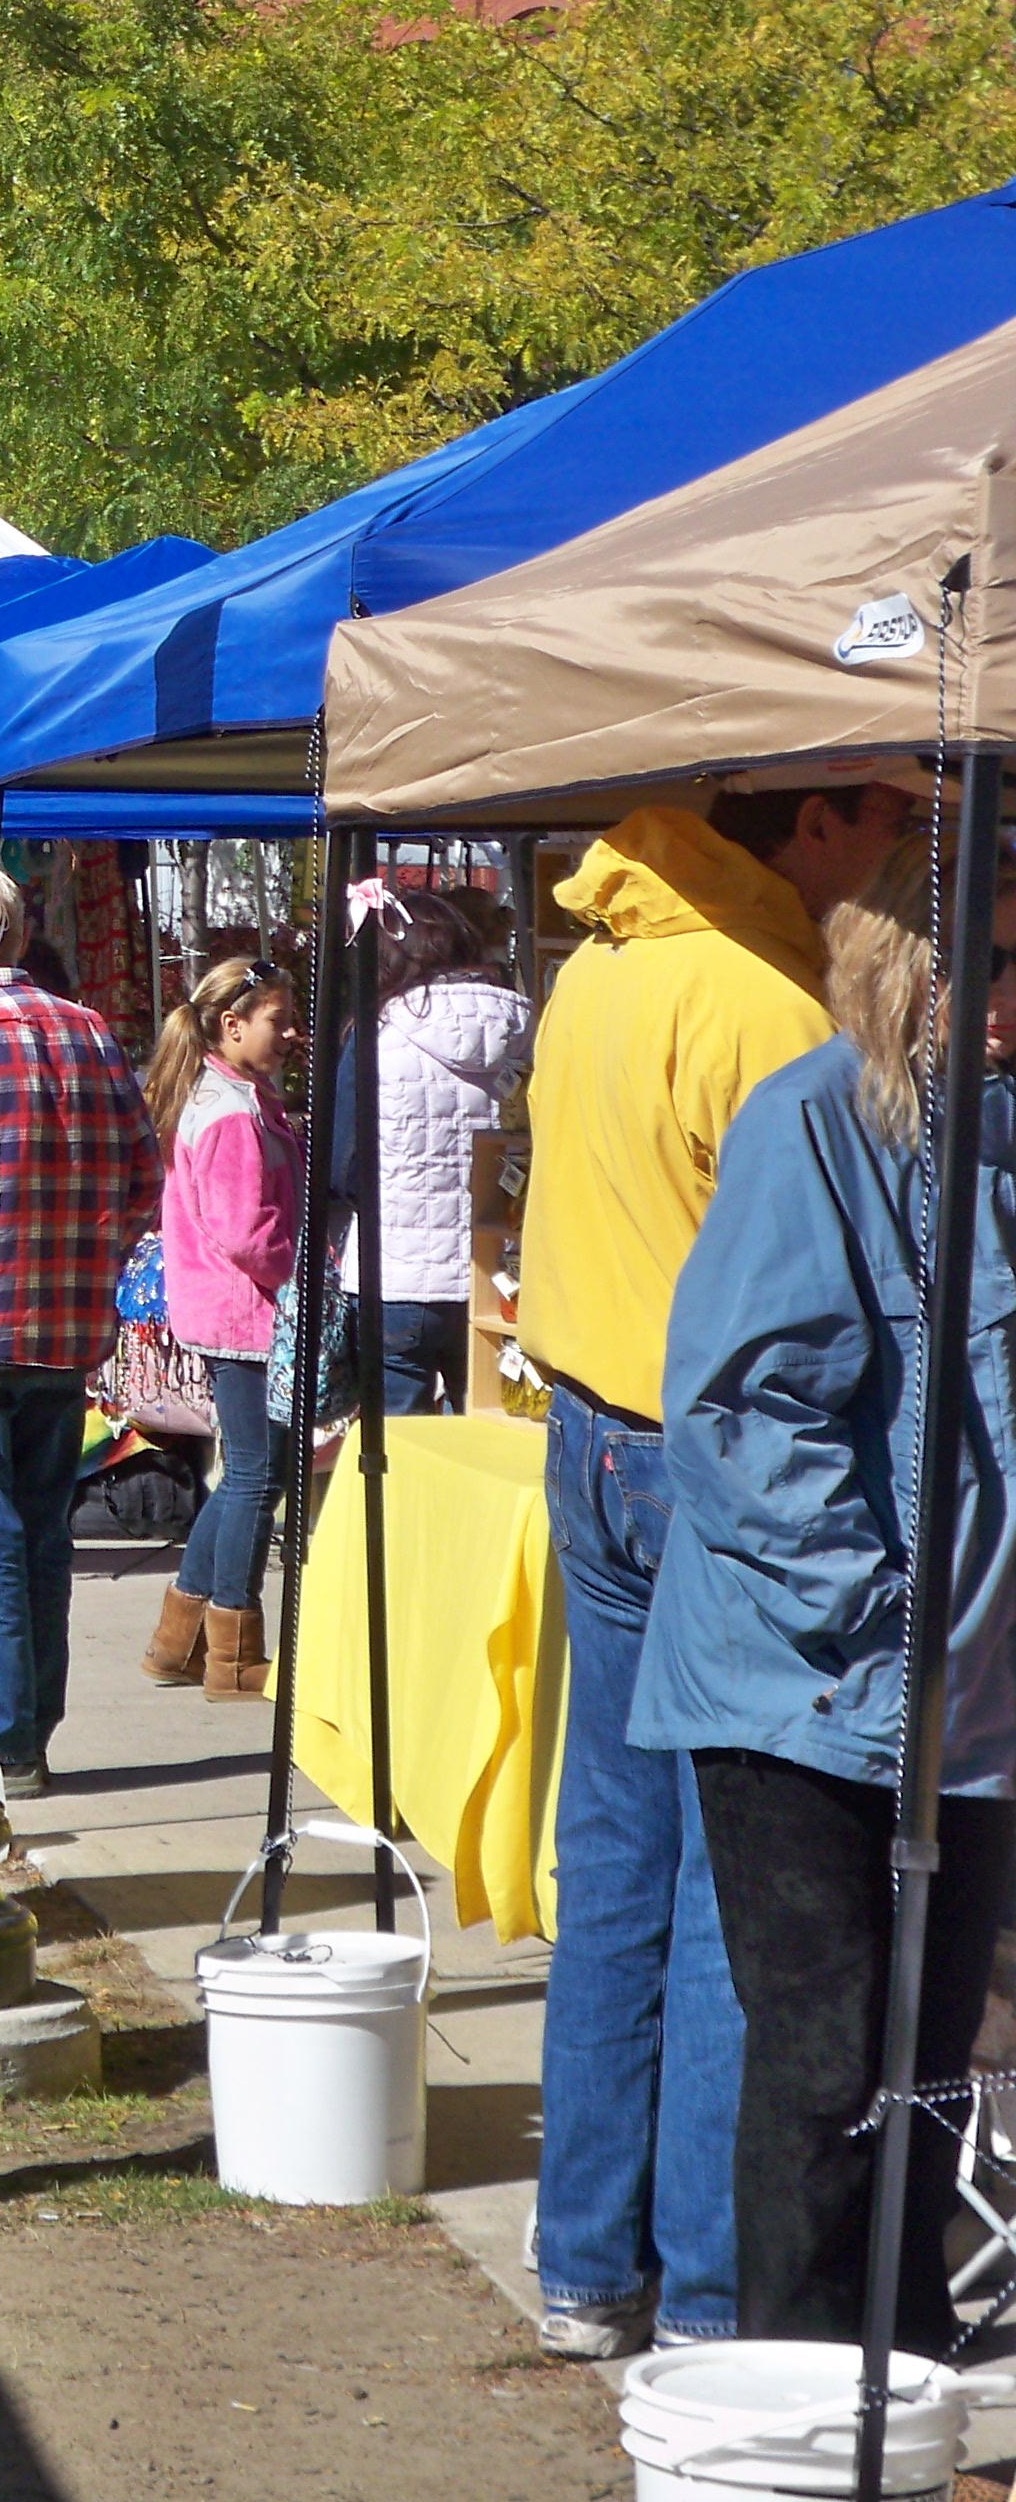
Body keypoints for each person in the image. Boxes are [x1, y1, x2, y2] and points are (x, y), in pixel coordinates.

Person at [519, 782, 910, 2361]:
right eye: (881, 812)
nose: (897, 840)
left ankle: (586, 2267)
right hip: (703, 1462)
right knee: (726, 1888)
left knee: (616, 1866)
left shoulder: (603, 964)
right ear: (809, 826)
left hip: (594, 1429)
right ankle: (694, 2293)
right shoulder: (758, 1001)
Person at [633, 837, 1016, 2352]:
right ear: (909, 969)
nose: (1004, 1003)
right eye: (985, 966)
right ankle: (799, 2390)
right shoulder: (812, 1124)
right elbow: (741, 1416)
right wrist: (885, 1613)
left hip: (965, 1705)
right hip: (812, 1694)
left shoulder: (990, 1133)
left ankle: (901, 2386)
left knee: (926, 2069)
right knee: (827, 2070)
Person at [0, 870, 161, 1797]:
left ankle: (3, 1737)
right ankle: (28, 1730)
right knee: (40, 1530)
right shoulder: (88, 1029)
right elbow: (144, 1178)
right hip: (67, 1324)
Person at [141, 954, 301, 1703]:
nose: (292, 1033)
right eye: (279, 1020)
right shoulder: (232, 1111)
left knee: (245, 1474)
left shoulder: (230, 1096)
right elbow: (246, 1230)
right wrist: (299, 1269)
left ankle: (178, 1640)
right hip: (243, 1311)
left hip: (227, 1307)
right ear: (232, 1025)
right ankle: (231, 1650)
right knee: (251, 1476)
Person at [328, 885, 534, 1421]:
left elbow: (342, 1169)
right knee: (493, 1438)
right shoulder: (529, 1027)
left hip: (394, 1272)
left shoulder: (376, 1035)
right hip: (502, 1268)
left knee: (398, 1453)